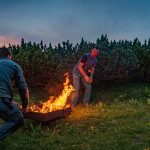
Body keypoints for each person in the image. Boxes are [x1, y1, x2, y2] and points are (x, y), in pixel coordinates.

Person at [0, 47, 29, 141]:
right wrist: (24, 106)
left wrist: (11, 102)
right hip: (1, 99)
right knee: (17, 118)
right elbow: (23, 89)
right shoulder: (14, 65)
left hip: (3, 98)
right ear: (9, 56)